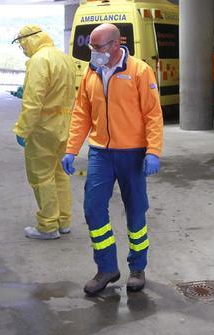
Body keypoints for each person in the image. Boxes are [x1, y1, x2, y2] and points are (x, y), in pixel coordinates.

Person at [61, 23, 164, 295]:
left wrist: (153, 151)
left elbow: (153, 114)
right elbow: (81, 113)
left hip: (132, 153)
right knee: (93, 209)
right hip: (100, 153)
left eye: (99, 47)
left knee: (135, 211)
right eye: (92, 47)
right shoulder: (91, 73)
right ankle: (107, 267)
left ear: (116, 45)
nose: (94, 52)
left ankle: (137, 268)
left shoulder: (140, 71)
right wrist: (72, 149)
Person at [12, 25, 76, 239]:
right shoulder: (63, 57)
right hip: (64, 124)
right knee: (59, 174)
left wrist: (23, 129)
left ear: (30, 39)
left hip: (43, 128)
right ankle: (63, 221)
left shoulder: (39, 61)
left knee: (42, 176)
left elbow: (33, 102)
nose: (22, 49)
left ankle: (48, 226)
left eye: (22, 44)